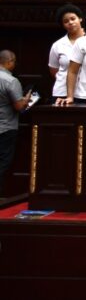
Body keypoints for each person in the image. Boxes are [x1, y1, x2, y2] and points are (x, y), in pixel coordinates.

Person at [0, 50, 32, 196]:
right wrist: (27, 98)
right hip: (6, 126)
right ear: (10, 62)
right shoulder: (10, 81)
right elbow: (19, 107)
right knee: (4, 161)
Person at [47, 3, 84, 102]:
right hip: (62, 92)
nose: (70, 23)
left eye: (73, 18)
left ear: (80, 19)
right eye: (66, 21)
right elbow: (54, 70)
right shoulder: (58, 45)